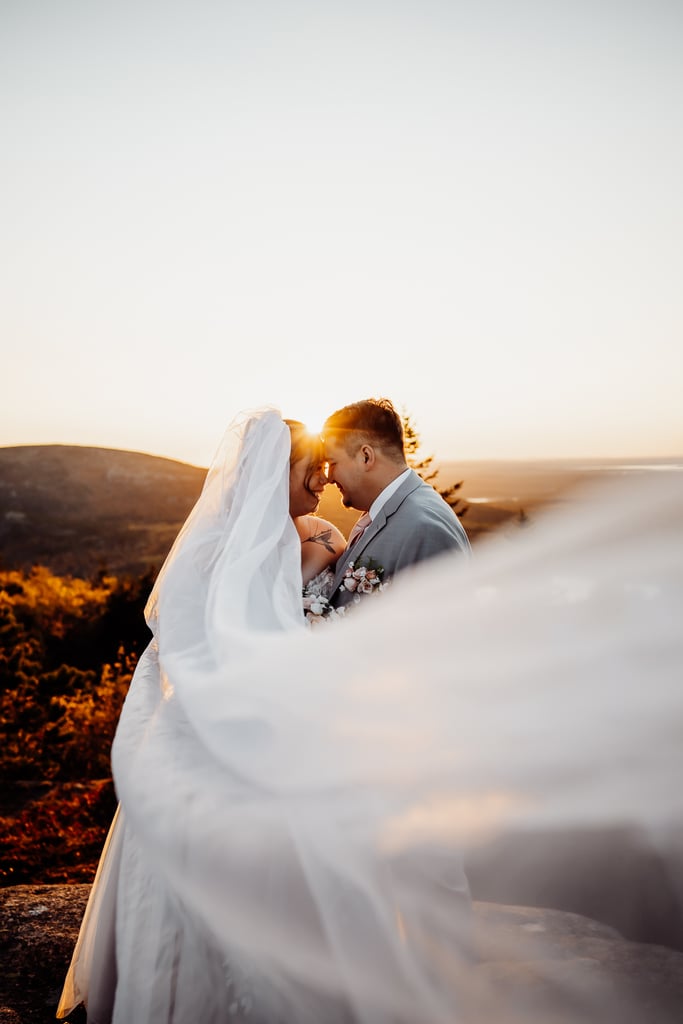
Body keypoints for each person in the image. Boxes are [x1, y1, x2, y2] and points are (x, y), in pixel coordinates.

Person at [57, 410, 345, 1024]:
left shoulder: (292, 535)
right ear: (274, 472)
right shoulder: (216, 548)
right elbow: (200, 644)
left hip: (252, 733)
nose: (320, 484)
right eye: (310, 472)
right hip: (207, 738)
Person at [322, 398, 470, 609]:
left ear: (366, 456)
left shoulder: (426, 531)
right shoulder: (386, 511)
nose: (328, 477)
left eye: (333, 463)